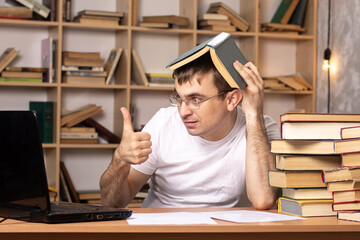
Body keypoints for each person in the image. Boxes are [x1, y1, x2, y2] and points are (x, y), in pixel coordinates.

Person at [100, 52, 280, 209]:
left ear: (232, 100)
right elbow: (112, 203)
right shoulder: (163, 123)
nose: (183, 112)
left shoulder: (261, 130)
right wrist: (120, 160)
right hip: (162, 232)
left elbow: (264, 200)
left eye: (195, 100)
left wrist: (253, 114)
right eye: (179, 98)